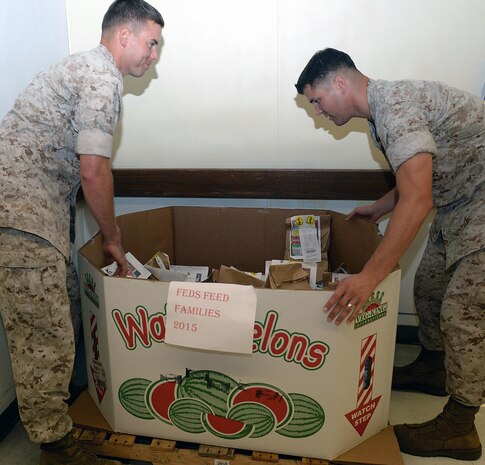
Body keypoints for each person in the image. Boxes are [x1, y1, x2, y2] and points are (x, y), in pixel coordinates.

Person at [295, 48, 484, 461]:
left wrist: (368, 276)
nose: (318, 112)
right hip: (459, 202)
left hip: (479, 202)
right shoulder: (381, 115)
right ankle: (435, 367)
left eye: (317, 100)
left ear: (340, 84)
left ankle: (461, 425)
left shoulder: (395, 109)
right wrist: (381, 206)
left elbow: (417, 201)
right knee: (430, 287)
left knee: (462, 312)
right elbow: (416, 173)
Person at [0, 0, 164, 464]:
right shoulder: (101, 77)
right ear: (124, 36)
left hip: (32, 217)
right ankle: (57, 448)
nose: (154, 56)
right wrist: (113, 239)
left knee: (68, 305)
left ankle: (77, 408)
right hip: (21, 219)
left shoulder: (86, 70)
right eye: (151, 43)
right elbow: (93, 171)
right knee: (44, 334)